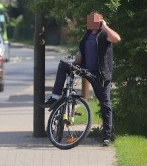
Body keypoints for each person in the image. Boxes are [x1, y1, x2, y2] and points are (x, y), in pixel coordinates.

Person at [42, 12, 121, 146]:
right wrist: (73, 64)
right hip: (86, 69)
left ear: (100, 22)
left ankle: (107, 136)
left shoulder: (104, 35)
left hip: (101, 75)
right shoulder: (87, 36)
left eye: (95, 22)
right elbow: (80, 57)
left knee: (105, 103)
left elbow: (116, 39)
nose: (92, 24)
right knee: (63, 66)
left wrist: (105, 26)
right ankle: (56, 97)